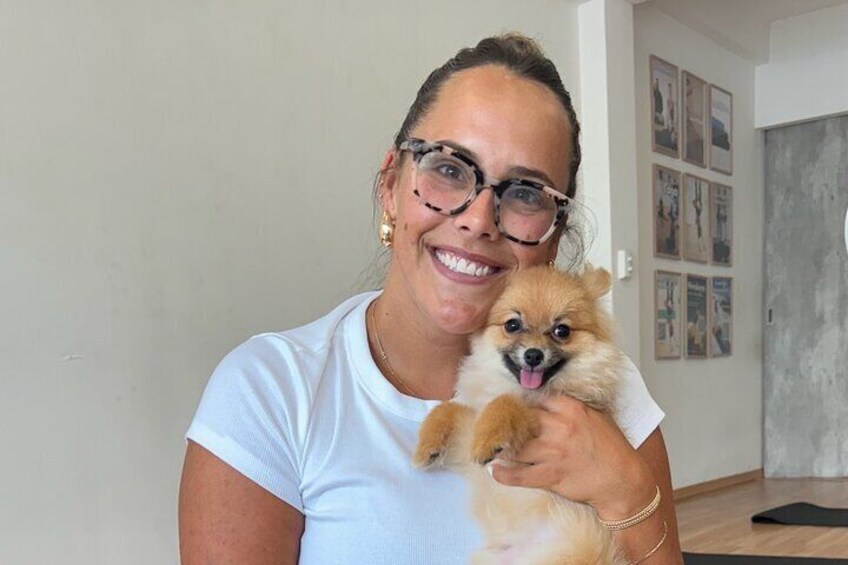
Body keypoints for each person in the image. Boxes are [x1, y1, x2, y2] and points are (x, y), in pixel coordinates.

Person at [179, 34, 683, 564]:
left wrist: (627, 492)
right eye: (449, 169)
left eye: (526, 193)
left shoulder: (607, 384)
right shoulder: (269, 391)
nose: (477, 219)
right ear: (391, 184)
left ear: (554, 235)